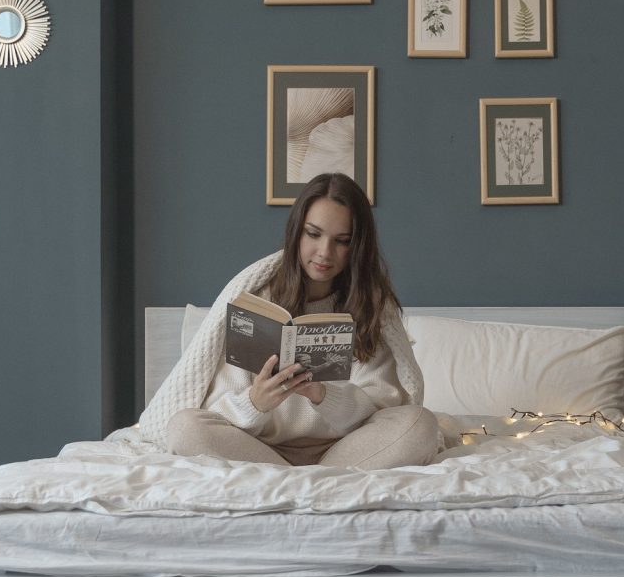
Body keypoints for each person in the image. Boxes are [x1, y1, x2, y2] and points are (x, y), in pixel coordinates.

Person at [157, 173, 438, 468]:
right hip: (257, 450)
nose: (325, 253)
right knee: (184, 428)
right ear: (296, 233)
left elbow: (381, 406)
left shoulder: (371, 307)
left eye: (342, 241)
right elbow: (218, 411)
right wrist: (255, 402)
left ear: (357, 247)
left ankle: (295, 485)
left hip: (346, 451)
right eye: (313, 234)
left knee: (420, 424)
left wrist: (322, 394)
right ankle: (312, 485)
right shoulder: (254, 299)